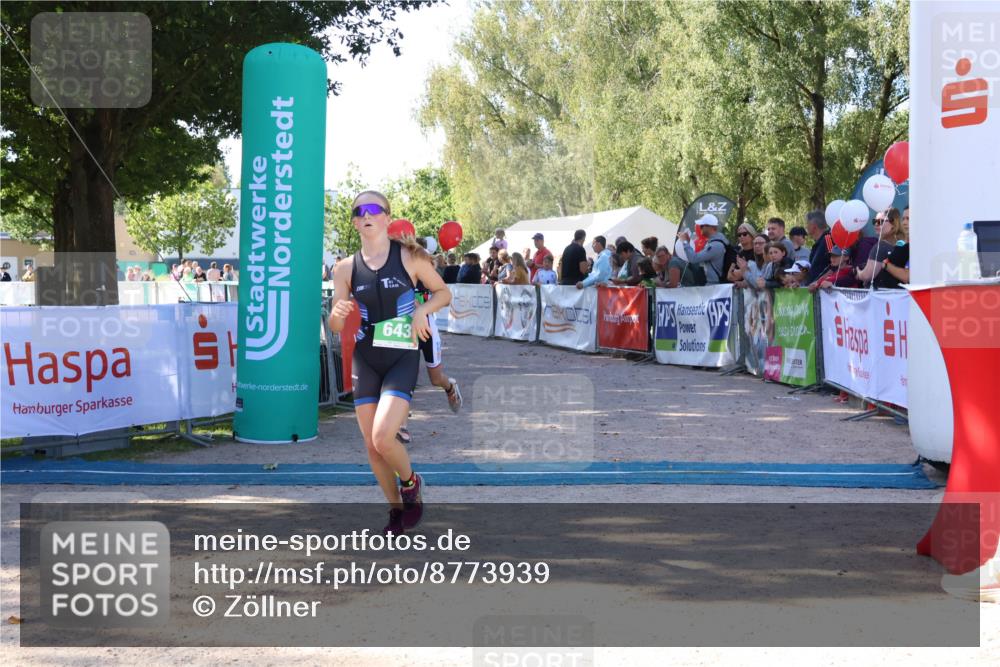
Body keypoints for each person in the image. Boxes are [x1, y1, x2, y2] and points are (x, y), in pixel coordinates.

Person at [328, 190, 450, 535]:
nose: (365, 215)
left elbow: (443, 293)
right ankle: (396, 509)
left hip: (401, 356)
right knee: (371, 445)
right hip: (366, 358)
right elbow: (337, 325)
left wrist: (422, 310)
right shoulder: (345, 268)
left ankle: (411, 484)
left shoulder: (410, 257)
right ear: (355, 222)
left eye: (372, 209)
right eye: (358, 211)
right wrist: (338, 314)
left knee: (384, 437)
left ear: (386, 216)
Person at [855, 207, 905, 288]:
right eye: (874, 221)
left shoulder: (881, 246)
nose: (876, 224)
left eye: (880, 221)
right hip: (899, 295)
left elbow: (867, 275)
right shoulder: (903, 244)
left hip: (880, 297)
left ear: (893, 223)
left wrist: (859, 273)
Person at [678, 214, 731, 285]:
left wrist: (684, 242)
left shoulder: (715, 245)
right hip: (714, 284)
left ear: (711, 227)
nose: (700, 228)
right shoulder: (716, 242)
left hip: (714, 285)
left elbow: (694, 259)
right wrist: (688, 242)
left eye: (702, 226)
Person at [877, 206, 910, 288]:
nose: (904, 222)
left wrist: (886, 265)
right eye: (903, 219)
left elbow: (906, 277)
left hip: (901, 297)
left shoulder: (917, 246)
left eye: (908, 219)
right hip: (890, 295)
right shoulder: (903, 243)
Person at [805, 210, 831, 284]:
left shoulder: (828, 239)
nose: (805, 226)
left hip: (824, 291)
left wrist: (818, 282)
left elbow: (834, 266)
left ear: (814, 226)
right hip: (813, 289)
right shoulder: (817, 243)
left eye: (807, 224)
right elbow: (812, 267)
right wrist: (801, 271)